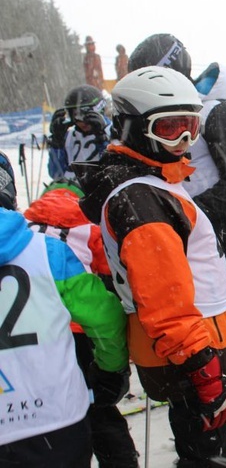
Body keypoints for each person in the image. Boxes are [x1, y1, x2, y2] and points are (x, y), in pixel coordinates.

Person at [75, 66, 226, 467]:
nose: (183, 140)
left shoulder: (154, 182)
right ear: (131, 127)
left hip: (197, 348)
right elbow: (167, 303)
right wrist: (206, 376)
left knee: (204, 446)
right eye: (169, 128)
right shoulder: (142, 198)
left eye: (191, 127)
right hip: (189, 357)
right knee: (206, 452)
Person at [129, 35, 226, 333]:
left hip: (223, 234)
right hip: (180, 236)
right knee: (191, 322)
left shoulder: (215, 110)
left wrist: (191, 212)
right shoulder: (157, 117)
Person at [0, 166, 130, 468]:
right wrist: (112, 369)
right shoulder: (50, 250)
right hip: (56, 418)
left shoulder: (36, 223)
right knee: (100, 413)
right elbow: (105, 314)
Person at [48, 84, 111, 181]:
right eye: (76, 116)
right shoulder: (69, 137)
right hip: (75, 192)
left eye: (87, 114)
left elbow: (114, 168)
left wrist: (102, 139)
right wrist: (57, 143)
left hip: (104, 190)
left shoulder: (114, 132)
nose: (82, 122)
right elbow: (56, 174)